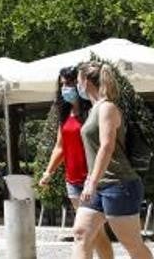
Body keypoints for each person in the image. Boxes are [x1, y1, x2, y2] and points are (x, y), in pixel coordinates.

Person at [70, 63, 153, 259]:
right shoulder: (93, 110)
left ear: (86, 82)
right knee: (81, 233)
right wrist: (92, 181)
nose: (76, 86)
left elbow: (106, 146)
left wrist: (92, 182)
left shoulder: (107, 107)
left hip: (119, 184)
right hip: (98, 185)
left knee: (131, 243)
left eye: (78, 81)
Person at [39, 67, 113, 259]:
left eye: (70, 83)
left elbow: (105, 145)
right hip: (73, 180)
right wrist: (48, 172)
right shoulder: (65, 113)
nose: (66, 88)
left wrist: (94, 179)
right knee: (92, 234)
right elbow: (60, 147)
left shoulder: (94, 111)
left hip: (92, 179)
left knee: (86, 232)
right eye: (62, 84)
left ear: (81, 83)